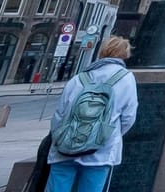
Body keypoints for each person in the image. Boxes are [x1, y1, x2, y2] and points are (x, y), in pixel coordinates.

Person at [46, 36, 138, 192]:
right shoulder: (126, 78)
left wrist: (59, 137)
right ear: (124, 54)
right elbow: (128, 117)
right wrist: (109, 135)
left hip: (65, 147)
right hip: (100, 151)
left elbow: (60, 114)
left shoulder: (80, 77)